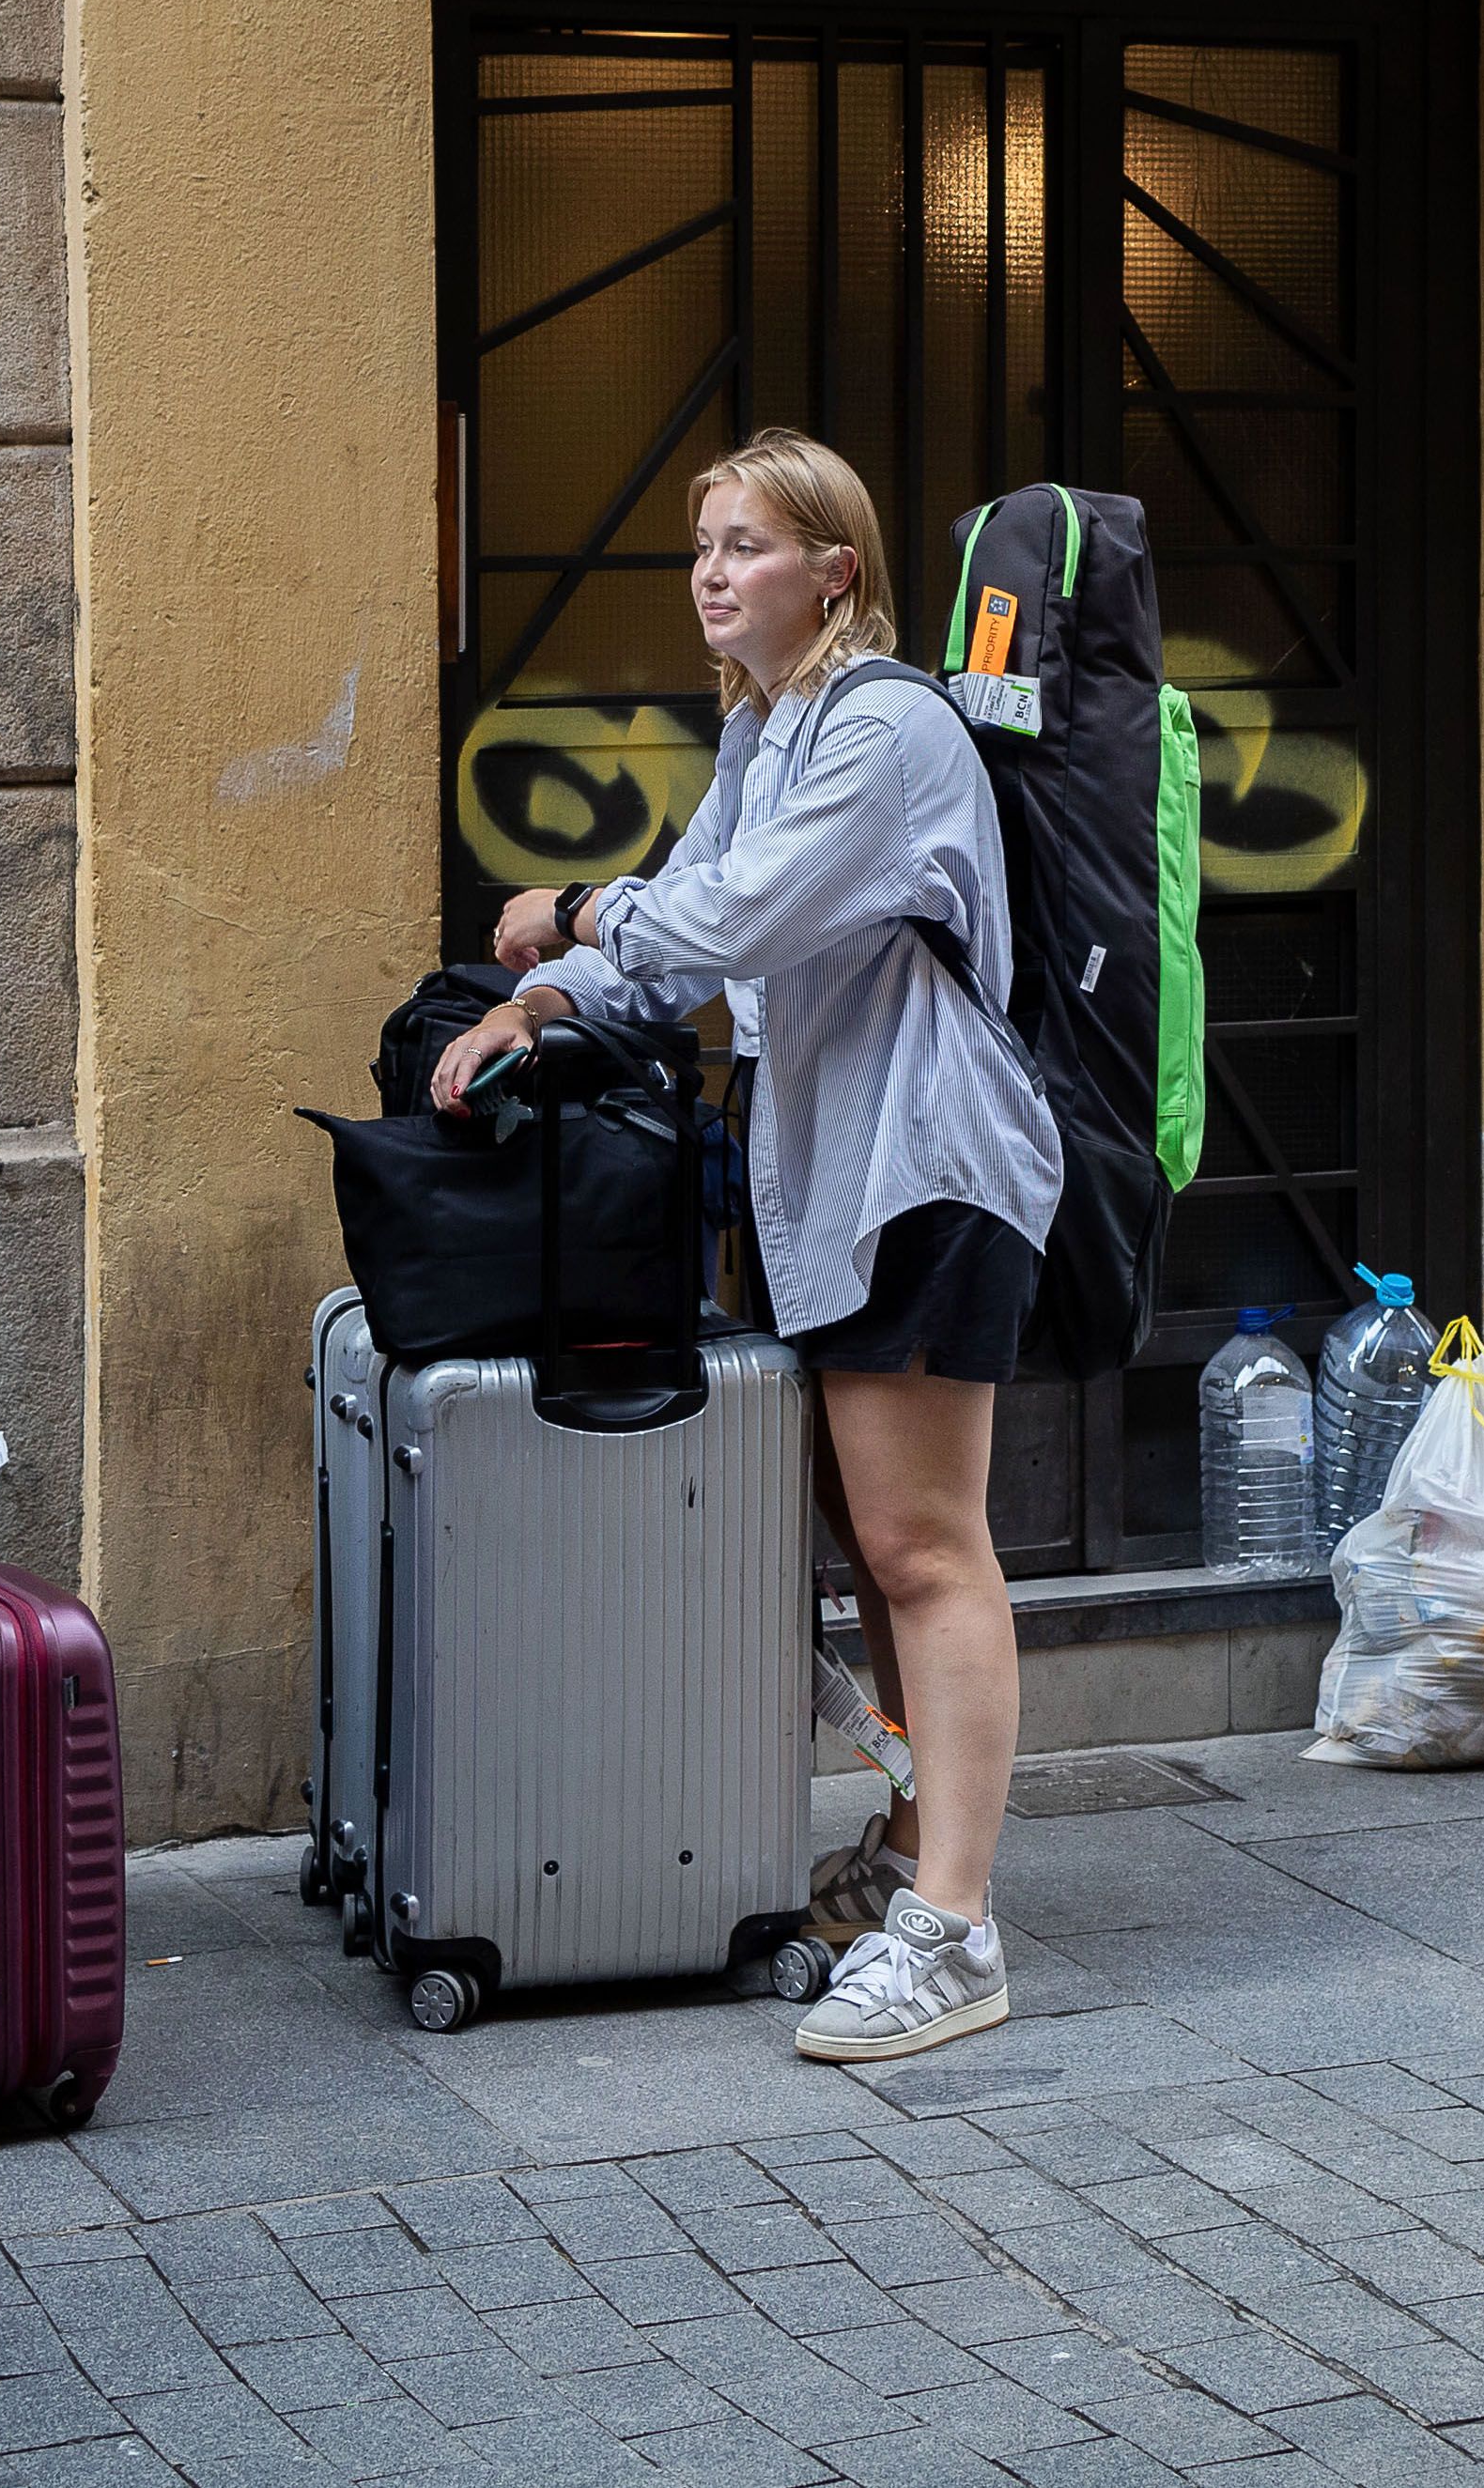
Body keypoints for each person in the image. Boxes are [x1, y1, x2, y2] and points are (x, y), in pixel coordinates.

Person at [430, 430, 1062, 2063]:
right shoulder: (770, 736)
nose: (713, 571)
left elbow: (728, 921)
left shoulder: (887, 729)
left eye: (751, 545)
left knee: (927, 1546)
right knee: (874, 1543)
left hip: (923, 1167)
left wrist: (571, 913)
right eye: (702, 545)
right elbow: (688, 926)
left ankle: (959, 1932)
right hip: (826, 1183)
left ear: (835, 571)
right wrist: (539, 1003)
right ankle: (925, 1858)